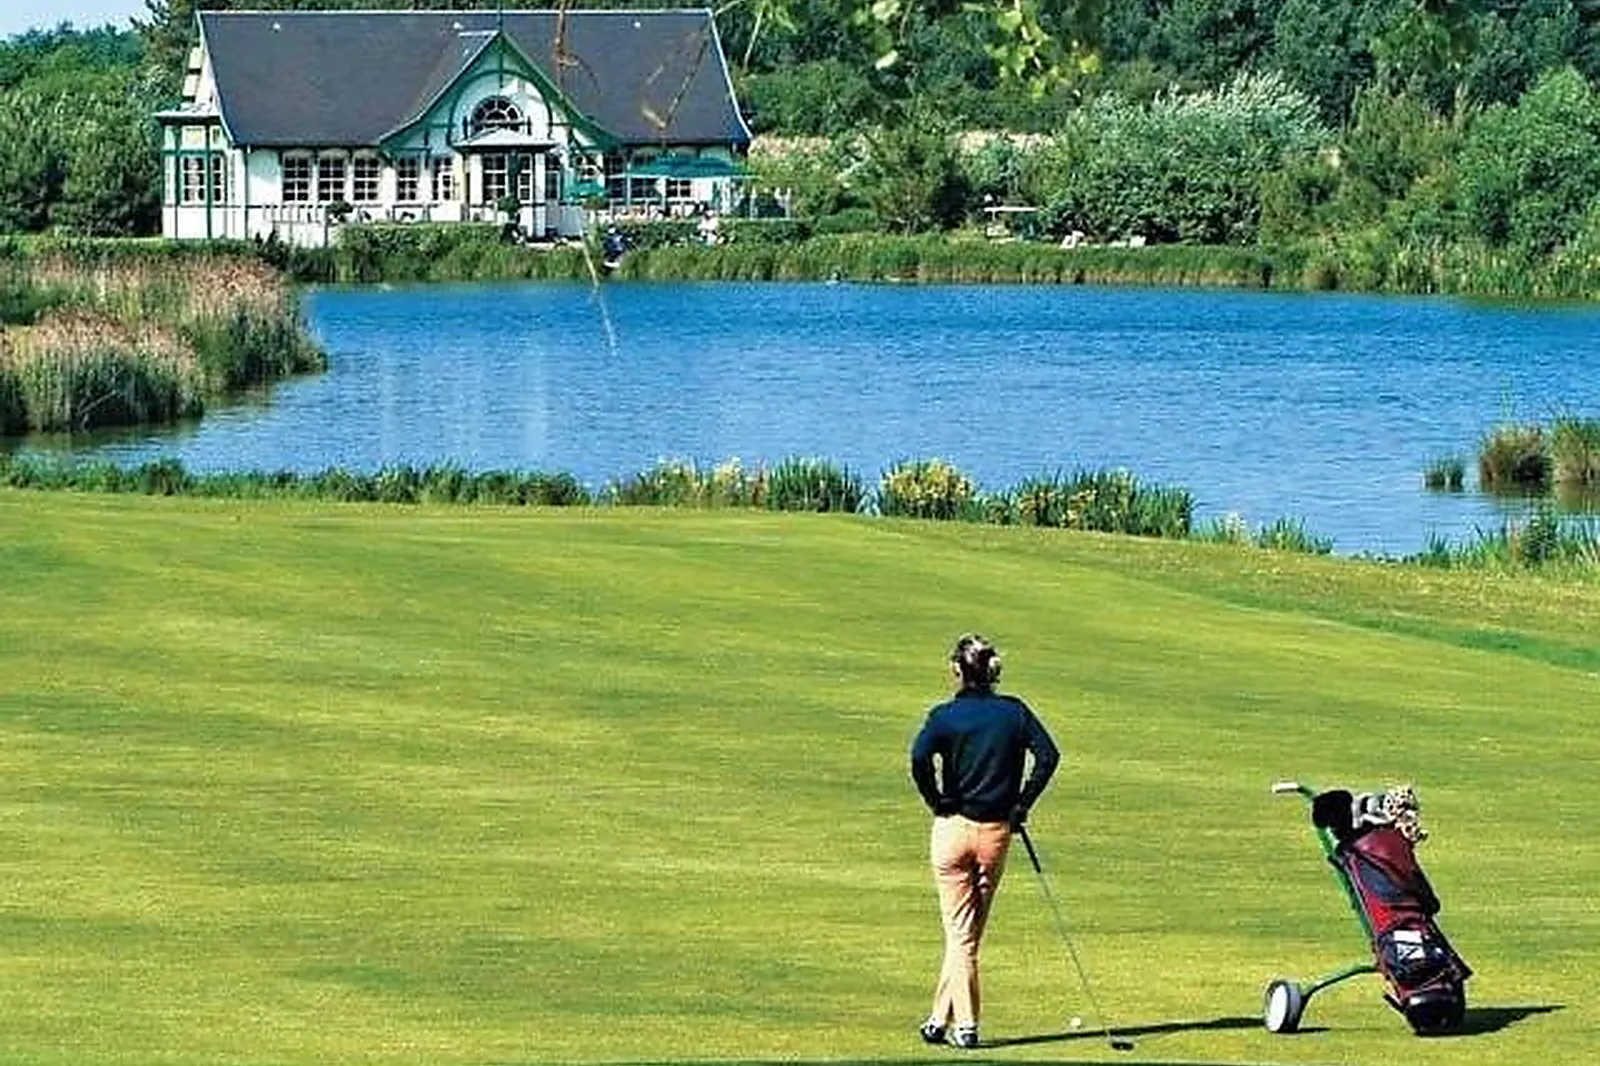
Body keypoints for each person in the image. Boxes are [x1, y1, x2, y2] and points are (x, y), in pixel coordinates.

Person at [909, 634, 1060, 1049]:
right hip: (996, 832)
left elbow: (919, 759)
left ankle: (966, 1026)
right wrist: (1021, 805)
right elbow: (1048, 756)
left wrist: (936, 799)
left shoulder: (943, 717)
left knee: (960, 934)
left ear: (958, 670)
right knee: (967, 933)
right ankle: (938, 1020)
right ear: (993, 671)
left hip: (952, 829)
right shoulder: (1014, 713)